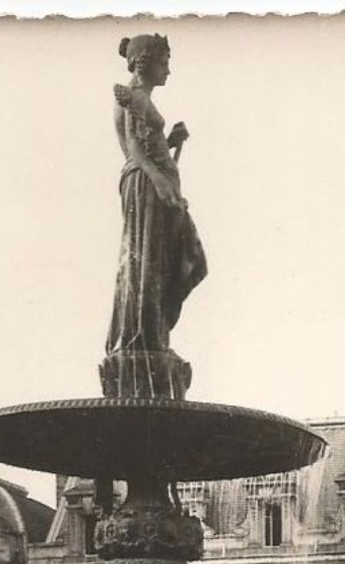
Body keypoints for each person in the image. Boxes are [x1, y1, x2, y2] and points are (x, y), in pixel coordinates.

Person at [106, 33, 208, 359]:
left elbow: (149, 142)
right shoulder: (134, 97)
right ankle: (143, 338)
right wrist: (160, 183)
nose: (168, 71)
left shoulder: (142, 98)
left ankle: (154, 335)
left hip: (154, 184)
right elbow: (135, 150)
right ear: (145, 62)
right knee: (148, 261)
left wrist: (172, 140)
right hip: (146, 186)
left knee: (164, 261)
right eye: (164, 63)